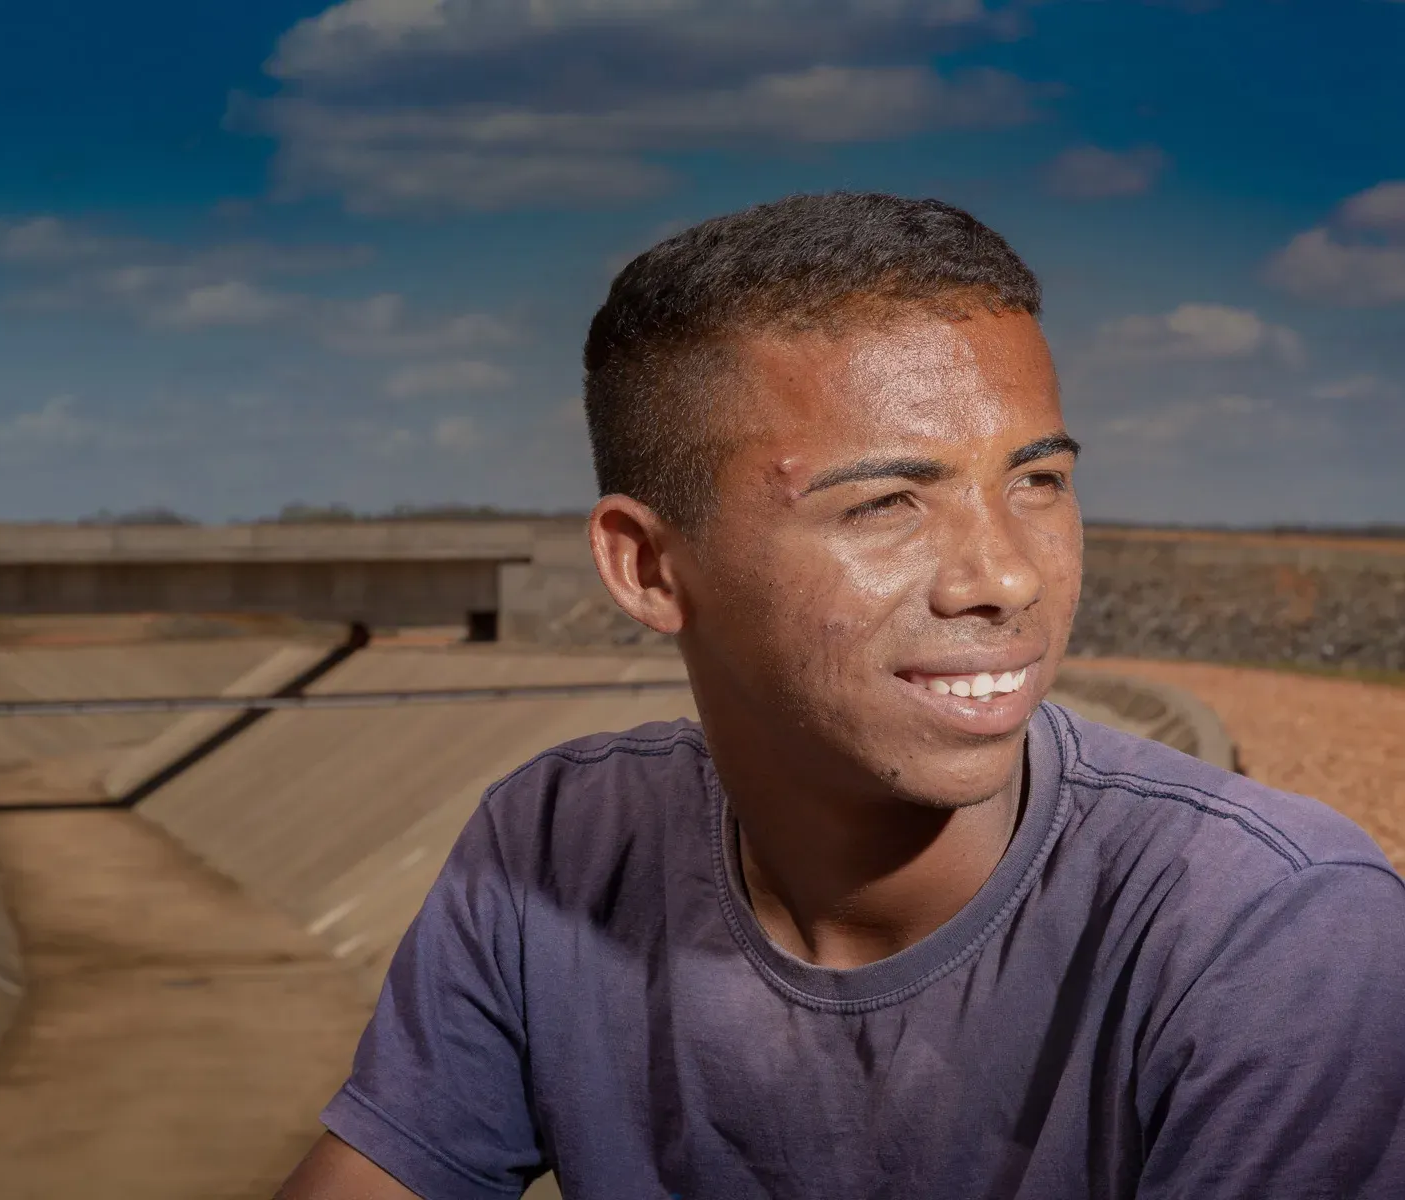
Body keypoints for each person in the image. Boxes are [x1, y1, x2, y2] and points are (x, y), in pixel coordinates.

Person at [275, 193, 1405, 1198]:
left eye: (1040, 483)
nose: (1005, 577)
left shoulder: (1275, 933)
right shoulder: (558, 846)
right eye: (885, 505)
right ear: (649, 568)